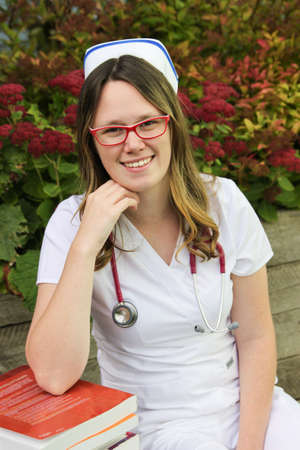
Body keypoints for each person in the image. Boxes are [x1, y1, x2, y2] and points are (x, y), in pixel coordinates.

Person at [25, 38, 300, 450]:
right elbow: (52, 374)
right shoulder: (71, 223)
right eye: (113, 130)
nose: (132, 143)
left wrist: (250, 444)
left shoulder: (222, 202)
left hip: (250, 412)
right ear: (91, 139)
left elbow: (257, 338)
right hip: (151, 427)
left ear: (172, 125)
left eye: (148, 123)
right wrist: (86, 244)